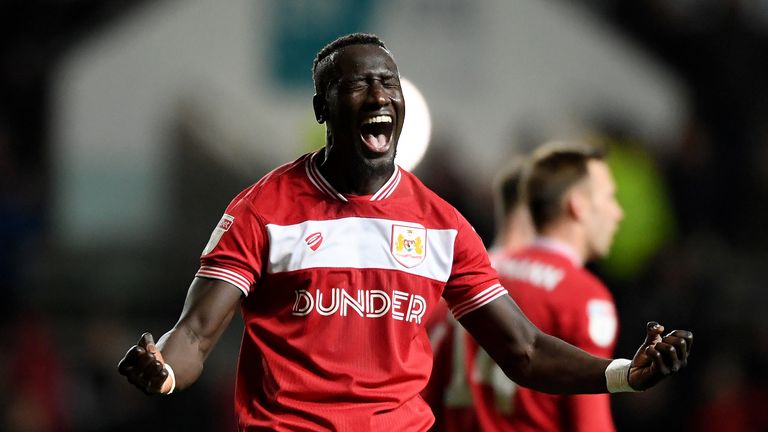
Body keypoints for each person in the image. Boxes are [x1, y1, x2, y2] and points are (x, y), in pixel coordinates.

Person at [117, 33, 693, 431]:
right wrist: (165, 371)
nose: (378, 95)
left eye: (387, 82)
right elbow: (194, 334)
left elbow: (525, 349)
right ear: (323, 108)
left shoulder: (441, 225)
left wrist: (623, 374)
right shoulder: (263, 209)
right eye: (358, 85)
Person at [438, 141, 629, 431]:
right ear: (577, 204)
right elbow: (591, 424)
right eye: (609, 198)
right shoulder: (584, 296)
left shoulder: (473, 274)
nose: (618, 213)